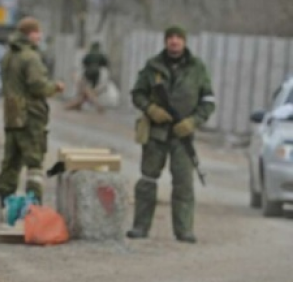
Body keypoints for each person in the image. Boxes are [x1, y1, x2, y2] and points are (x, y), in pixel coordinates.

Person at [127, 26, 215, 244]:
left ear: (184, 41)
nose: (174, 42)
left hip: (182, 136)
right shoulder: (153, 66)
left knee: (183, 182)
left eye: (178, 38)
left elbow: (208, 102)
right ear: (166, 41)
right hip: (157, 133)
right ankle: (140, 226)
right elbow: (137, 94)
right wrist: (151, 110)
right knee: (147, 179)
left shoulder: (197, 68)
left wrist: (192, 122)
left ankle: (184, 230)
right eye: (170, 38)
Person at [0, 17, 64, 207]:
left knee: (10, 162)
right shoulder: (30, 57)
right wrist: (55, 87)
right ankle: (34, 208)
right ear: (29, 34)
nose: (40, 36)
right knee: (34, 163)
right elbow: (37, 86)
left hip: (12, 115)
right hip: (30, 116)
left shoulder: (8, 56)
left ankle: (5, 207)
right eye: (37, 32)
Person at [65, 42, 110, 113]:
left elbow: (84, 63)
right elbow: (105, 64)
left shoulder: (89, 54)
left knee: (85, 89)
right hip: (96, 74)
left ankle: (96, 105)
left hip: (88, 72)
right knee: (89, 90)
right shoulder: (101, 55)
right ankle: (79, 104)